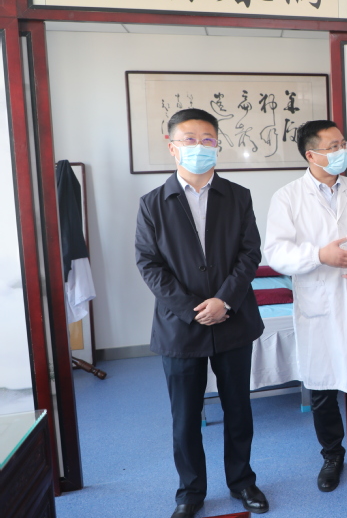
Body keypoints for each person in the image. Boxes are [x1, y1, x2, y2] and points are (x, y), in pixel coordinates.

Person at [135, 108, 269, 518]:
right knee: (185, 417)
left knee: (238, 410)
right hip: (180, 326)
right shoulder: (153, 203)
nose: (199, 146)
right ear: (172, 146)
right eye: (189, 139)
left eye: (207, 139)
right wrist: (192, 309)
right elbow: (148, 264)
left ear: (218, 145)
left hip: (233, 320)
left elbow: (249, 255)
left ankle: (242, 481)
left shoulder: (238, 196)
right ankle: (190, 491)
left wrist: (224, 300)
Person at [264, 120, 347, 493]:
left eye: (343, 144)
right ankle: (332, 456)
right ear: (312, 154)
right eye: (333, 146)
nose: (342, 151)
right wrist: (320, 255)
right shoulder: (288, 197)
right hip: (319, 305)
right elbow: (276, 253)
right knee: (322, 389)